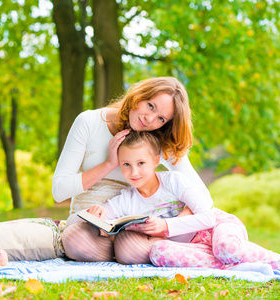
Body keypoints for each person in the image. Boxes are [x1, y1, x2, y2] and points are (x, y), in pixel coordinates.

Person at [63, 131, 280, 272]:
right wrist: (97, 212)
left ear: (156, 160)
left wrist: (166, 226)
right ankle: (235, 267)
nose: (133, 172)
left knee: (226, 248)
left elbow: (207, 215)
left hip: (215, 228)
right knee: (159, 251)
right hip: (188, 248)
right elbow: (93, 215)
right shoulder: (127, 199)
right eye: (126, 164)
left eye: (141, 163)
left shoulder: (173, 181)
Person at [52, 77, 206, 261]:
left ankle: (132, 251)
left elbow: (203, 196)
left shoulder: (158, 142)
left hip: (136, 232)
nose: (149, 119)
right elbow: (59, 191)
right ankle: (131, 253)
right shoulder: (89, 122)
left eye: (161, 118)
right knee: (75, 241)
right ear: (139, 96)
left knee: (128, 244)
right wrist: (109, 164)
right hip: (91, 226)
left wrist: (169, 225)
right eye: (150, 106)